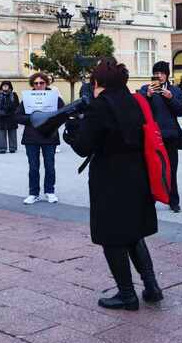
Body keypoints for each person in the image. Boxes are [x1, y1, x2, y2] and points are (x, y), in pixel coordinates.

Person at [64, 58, 162, 311]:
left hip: (110, 176)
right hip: (136, 174)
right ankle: (151, 286)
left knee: (112, 236)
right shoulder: (134, 101)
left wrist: (72, 129)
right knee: (134, 232)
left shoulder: (99, 107)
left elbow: (84, 147)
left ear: (98, 82)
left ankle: (127, 294)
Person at [139, 61, 182, 212]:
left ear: (167, 75)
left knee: (171, 169)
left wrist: (170, 98)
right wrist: (148, 96)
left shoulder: (175, 90)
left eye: (161, 73)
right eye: (156, 73)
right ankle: (150, 199)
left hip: (170, 135)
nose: (159, 76)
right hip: (152, 136)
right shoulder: (145, 89)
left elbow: (181, 111)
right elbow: (139, 110)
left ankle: (173, 200)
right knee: (151, 168)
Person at [16, 72, 64, 205]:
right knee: (33, 167)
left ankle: (50, 191)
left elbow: (62, 113)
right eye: (35, 83)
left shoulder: (54, 97)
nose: (38, 85)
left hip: (49, 136)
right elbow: (17, 116)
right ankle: (33, 193)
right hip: (31, 137)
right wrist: (33, 118)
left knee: (50, 166)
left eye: (41, 83)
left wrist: (50, 119)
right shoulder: (27, 98)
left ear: (46, 83)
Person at [0, 81, 20, 154]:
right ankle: (2, 148)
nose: (5, 86)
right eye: (3, 85)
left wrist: (9, 110)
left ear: (10, 87)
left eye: (6, 85)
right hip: (0, 117)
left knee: (12, 133)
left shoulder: (14, 95)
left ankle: (12, 148)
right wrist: (0, 111)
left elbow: (17, 105)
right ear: (1, 87)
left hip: (11, 116)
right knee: (1, 133)